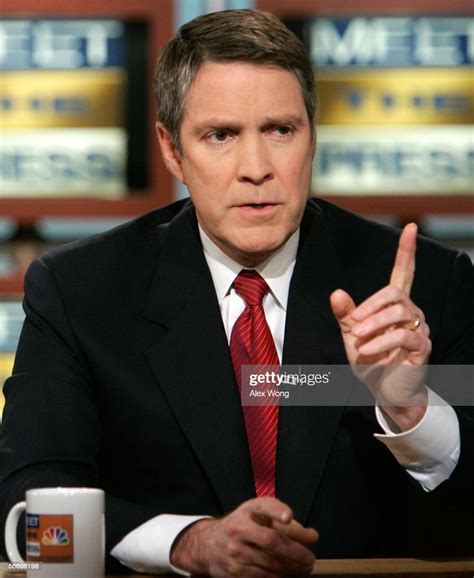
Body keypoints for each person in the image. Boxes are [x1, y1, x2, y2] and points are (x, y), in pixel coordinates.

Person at [1, 9, 473, 577]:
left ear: (313, 136)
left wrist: (412, 411)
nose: (257, 168)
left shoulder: (424, 287)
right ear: (172, 150)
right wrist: (187, 543)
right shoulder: (80, 292)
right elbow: (29, 505)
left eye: (280, 130)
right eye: (221, 135)